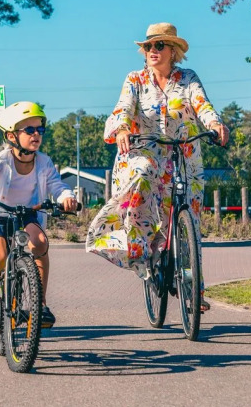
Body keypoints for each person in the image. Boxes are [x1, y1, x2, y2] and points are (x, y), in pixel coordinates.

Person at [86, 23, 229, 311]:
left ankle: (194, 291)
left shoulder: (187, 79)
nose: (152, 50)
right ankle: (142, 246)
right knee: (142, 176)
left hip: (184, 157)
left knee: (191, 224)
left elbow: (202, 104)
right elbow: (123, 108)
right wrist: (123, 129)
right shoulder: (135, 79)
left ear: (173, 51)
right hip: (144, 154)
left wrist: (215, 124)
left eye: (159, 45)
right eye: (148, 46)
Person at [0, 102, 78, 328]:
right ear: (11, 135)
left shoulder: (44, 162)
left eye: (40, 129)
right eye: (29, 130)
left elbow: (58, 186)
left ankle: (40, 305)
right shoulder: (0, 161)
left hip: (27, 215)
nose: (36, 134)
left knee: (40, 244)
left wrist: (66, 198)